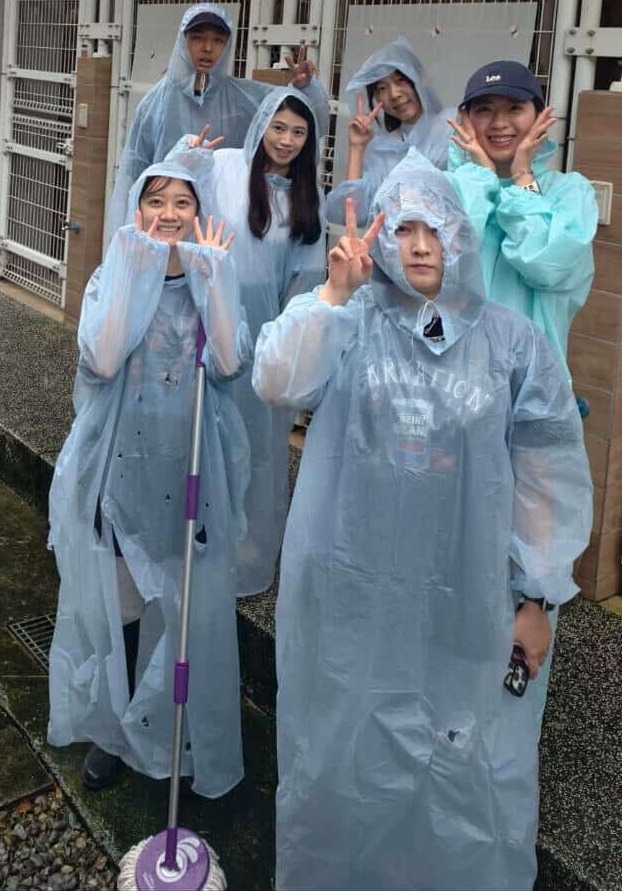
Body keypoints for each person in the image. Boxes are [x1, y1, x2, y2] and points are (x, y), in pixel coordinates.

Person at [253, 154, 592, 891]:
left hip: (464, 598)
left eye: (434, 228)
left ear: (460, 237)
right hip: (352, 593)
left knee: (462, 759)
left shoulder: (511, 343)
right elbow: (276, 379)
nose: (419, 244)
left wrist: (537, 597)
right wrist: (332, 294)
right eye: (403, 228)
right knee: (344, 746)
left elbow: (546, 476)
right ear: (381, 237)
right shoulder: (350, 321)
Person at [47, 159, 252, 799]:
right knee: (124, 607)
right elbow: (104, 359)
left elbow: (230, 363)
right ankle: (114, 731)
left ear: (200, 213)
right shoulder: (113, 274)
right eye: (155, 201)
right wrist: (132, 271)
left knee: (184, 605)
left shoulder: (211, 276)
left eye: (182, 203)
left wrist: (213, 281)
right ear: (136, 210)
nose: (168, 214)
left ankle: (171, 729)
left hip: (191, 472)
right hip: (122, 472)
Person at [173, 86, 327, 596]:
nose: (286, 140)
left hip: (265, 333)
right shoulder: (224, 167)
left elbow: (306, 278)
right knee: (202, 429)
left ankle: (246, 545)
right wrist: (186, 157)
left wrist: (288, 344)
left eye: (298, 132)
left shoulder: (307, 195)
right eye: (278, 127)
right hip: (207, 319)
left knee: (258, 444)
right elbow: (174, 198)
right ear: (261, 125)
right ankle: (192, 537)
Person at [107, 2, 330, 236]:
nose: (207, 48)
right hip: (168, 225)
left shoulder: (243, 99)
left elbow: (301, 116)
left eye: (218, 40)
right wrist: (127, 238)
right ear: (183, 41)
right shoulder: (155, 104)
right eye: (197, 38)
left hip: (224, 229)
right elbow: (132, 174)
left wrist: (305, 87)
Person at [446, 60, 597, 376]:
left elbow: (547, 265)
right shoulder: (443, 188)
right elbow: (448, 261)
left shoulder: (570, 192)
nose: (499, 123)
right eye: (484, 110)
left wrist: (522, 177)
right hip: (448, 379)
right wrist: (480, 176)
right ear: (465, 119)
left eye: (514, 108)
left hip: (530, 384)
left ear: (540, 117)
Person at [326, 35, 454, 225]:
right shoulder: (382, 153)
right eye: (381, 88)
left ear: (417, 81)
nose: (394, 94)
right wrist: (357, 148)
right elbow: (351, 213)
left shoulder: (452, 127)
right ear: (376, 99)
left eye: (400, 80)